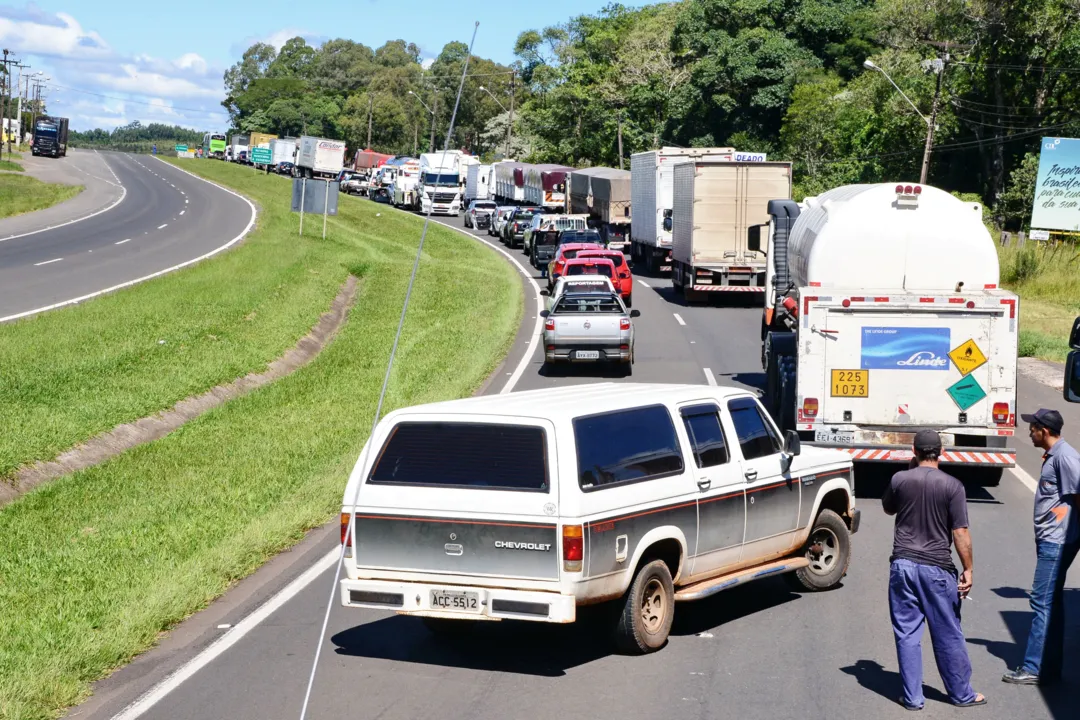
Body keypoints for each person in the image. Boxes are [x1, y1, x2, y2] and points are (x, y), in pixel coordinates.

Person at [883, 429, 987, 709]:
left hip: (902, 566)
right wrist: (968, 568)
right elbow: (960, 532)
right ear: (940, 452)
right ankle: (961, 694)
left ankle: (913, 698)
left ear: (914, 453)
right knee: (948, 632)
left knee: (906, 633)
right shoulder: (953, 486)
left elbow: (888, 509)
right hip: (937, 569)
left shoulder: (899, 480)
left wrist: (908, 471)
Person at [1002, 408, 1080, 686]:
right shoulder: (1054, 456)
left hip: (1057, 542)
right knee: (1052, 602)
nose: (1029, 432)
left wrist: (1067, 525)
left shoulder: (1066, 457)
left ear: (1044, 431)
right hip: (1054, 538)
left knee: (1041, 601)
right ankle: (1050, 666)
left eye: (1033, 427)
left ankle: (1034, 667)